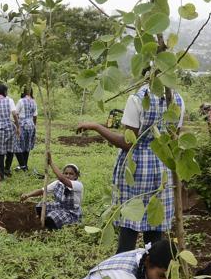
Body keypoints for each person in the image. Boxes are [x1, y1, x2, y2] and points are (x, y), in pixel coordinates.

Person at [77, 84, 184, 253]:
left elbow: (128, 143)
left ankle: (123, 270)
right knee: (154, 226)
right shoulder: (177, 100)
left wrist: (97, 127)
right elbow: (174, 138)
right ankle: (152, 271)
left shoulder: (137, 98)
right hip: (163, 167)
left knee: (129, 225)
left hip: (136, 169)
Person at [19, 152, 83, 229]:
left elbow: (62, 178)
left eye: (71, 174)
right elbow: (42, 191)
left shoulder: (77, 185)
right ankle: (45, 221)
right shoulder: (58, 183)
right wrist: (28, 195)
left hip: (71, 212)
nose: (68, 176)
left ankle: (49, 226)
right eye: (66, 173)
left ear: (76, 176)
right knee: (40, 206)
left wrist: (51, 163)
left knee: (52, 217)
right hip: (59, 206)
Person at [0, 83, 20, 177]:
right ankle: (7, 168)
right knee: (10, 149)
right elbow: (14, 114)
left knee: (0, 151)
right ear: (5, 91)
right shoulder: (9, 100)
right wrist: (18, 126)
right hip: (9, 127)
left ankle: (1, 173)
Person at [13, 87, 38, 171]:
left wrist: (16, 124)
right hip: (31, 124)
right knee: (27, 146)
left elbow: (15, 113)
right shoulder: (34, 101)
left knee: (18, 145)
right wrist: (34, 125)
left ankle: (22, 165)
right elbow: (35, 116)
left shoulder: (21, 101)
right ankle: (25, 165)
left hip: (22, 124)